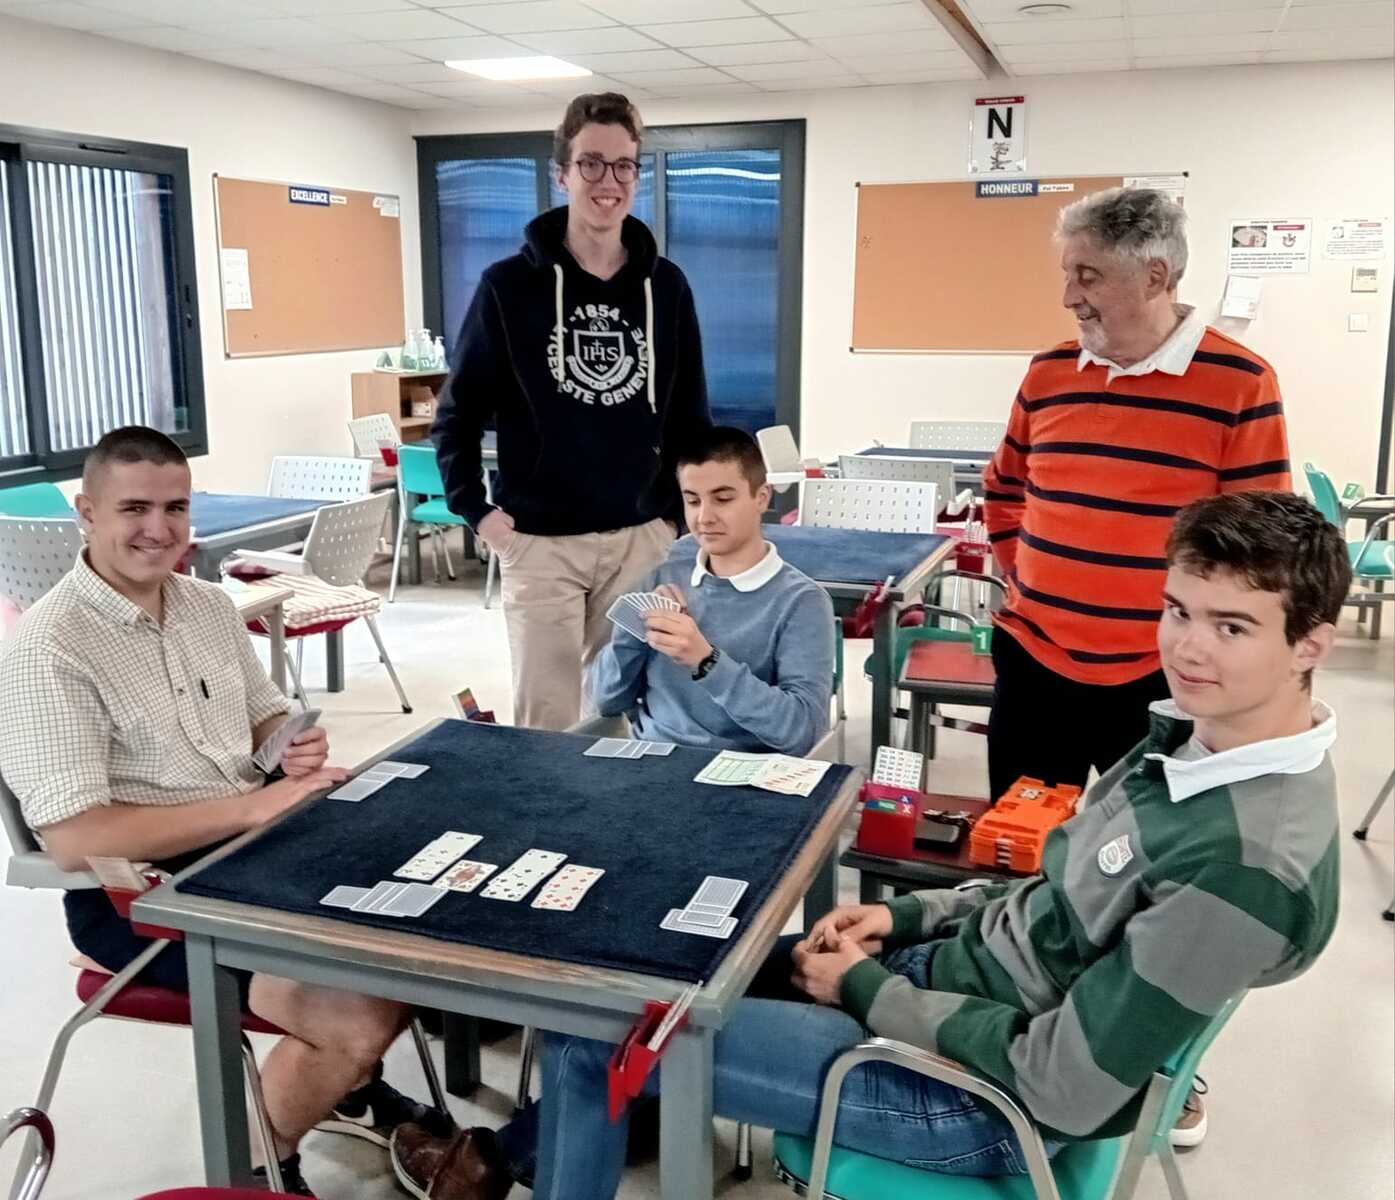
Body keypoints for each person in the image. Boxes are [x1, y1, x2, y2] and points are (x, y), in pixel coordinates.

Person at [389, 489, 1349, 1199]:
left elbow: (1059, 1086)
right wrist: (902, 917)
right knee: (646, 976)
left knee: (602, 1033)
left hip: (974, 1099)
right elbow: (1048, 895)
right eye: (1178, 610)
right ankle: (544, 1144)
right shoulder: (1192, 738)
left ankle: (513, 1156)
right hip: (958, 990)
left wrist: (866, 990)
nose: (1186, 647)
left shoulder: (1242, 864)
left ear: (1311, 643)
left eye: (1231, 627)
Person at [0, 427, 446, 1198]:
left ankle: (343, 1087)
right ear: (87, 513)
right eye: (134, 508)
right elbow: (77, 838)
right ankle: (259, 1168)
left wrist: (289, 743)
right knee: (357, 1014)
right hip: (142, 896)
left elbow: (266, 714)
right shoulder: (48, 648)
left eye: (174, 508)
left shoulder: (208, 605)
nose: (158, 529)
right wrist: (253, 806)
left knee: (435, 927)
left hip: (260, 848)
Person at [983, 186, 1292, 805]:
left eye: (1088, 276)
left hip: (1164, 679)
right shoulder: (1048, 373)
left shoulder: (1241, 382)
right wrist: (1032, 579)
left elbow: (1257, 546)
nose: (1069, 296)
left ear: (1154, 276)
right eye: (1069, 274)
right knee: (1022, 846)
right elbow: (1005, 487)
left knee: (1150, 854)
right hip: (1034, 662)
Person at [433, 91, 712, 732]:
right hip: (539, 543)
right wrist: (478, 512)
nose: (608, 181)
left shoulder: (666, 286)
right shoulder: (508, 286)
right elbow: (458, 413)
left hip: (640, 539)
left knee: (629, 710)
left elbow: (690, 415)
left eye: (623, 166)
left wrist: (676, 520)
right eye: (591, 163)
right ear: (562, 173)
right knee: (547, 722)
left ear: (637, 175)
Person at [588, 425, 835, 756]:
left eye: (723, 499)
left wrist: (705, 660)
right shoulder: (663, 573)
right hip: (650, 759)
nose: (704, 517)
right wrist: (637, 631)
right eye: (692, 500)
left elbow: (801, 732)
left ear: (762, 497)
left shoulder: (802, 602)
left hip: (743, 770)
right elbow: (606, 700)